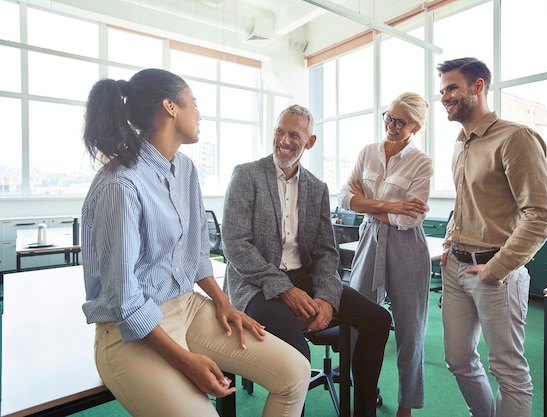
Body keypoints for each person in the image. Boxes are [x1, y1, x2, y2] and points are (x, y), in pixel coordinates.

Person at [80, 68, 310, 417]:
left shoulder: (184, 169)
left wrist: (223, 302)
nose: (199, 113)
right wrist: (185, 361)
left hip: (186, 305)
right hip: (130, 329)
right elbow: (125, 301)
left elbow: (196, 253)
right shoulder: (120, 185)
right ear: (171, 107)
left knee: (295, 372)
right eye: (195, 103)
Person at [221, 104, 393, 417]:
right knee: (297, 356)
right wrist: (283, 288)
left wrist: (327, 297)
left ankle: (363, 412)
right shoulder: (247, 176)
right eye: (279, 132)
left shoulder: (317, 187)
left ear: (309, 142)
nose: (284, 140)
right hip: (255, 285)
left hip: (306, 278)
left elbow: (327, 250)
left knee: (378, 320)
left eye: (294, 135)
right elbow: (234, 245)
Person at [436, 57, 547, 417]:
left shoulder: (515, 138)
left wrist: (498, 267)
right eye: (442, 89)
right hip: (456, 268)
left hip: (496, 272)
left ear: (478, 87)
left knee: (508, 371)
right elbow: (464, 203)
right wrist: (447, 241)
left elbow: (541, 215)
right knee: (458, 360)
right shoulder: (461, 145)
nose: (444, 96)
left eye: (452, 87)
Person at [337, 92, 432, 417]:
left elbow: (410, 218)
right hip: (370, 241)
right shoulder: (368, 152)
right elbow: (344, 197)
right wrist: (390, 205)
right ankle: (364, 389)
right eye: (388, 117)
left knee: (410, 328)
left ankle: (406, 403)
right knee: (357, 319)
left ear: (415, 128)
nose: (391, 125)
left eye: (400, 121)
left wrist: (368, 204)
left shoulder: (422, 163)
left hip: (408, 246)